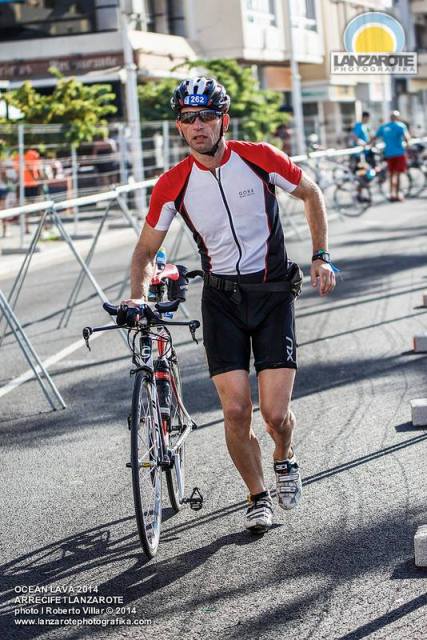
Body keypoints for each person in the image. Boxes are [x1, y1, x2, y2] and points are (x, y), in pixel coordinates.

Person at [122, 77, 336, 534]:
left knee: (275, 415)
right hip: (221, 300)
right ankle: (257, 496)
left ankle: (284, 456)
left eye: (206, 116)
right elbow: (144, 252)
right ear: (179, 127)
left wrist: (320, 255)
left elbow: (311, 193)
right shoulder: (173, 184)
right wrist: (137, 295)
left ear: (224, 120)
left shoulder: (259, 157)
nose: (197, 126)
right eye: (188, 118)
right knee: (237, 410)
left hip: (272, 293)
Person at [372, 110, 411, 202]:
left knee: (391, 174)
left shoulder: (384, 127)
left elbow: (374, 137)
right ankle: (397, 194)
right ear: (398, 118)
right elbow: (407, 138)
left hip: (389, 154)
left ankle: (391, 194)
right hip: (399, 153)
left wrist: (368, 144)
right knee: (398, 175)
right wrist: (407, 147)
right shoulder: (400, 126)